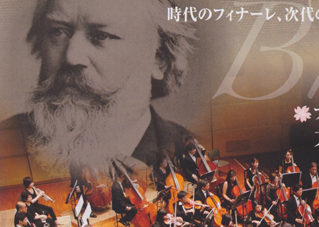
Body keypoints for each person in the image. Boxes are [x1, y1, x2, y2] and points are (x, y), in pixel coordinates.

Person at [1, 0, 194, 181]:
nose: (71, 57)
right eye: (58, 32)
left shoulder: (193, 159)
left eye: (101, 36)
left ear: (159, 59)